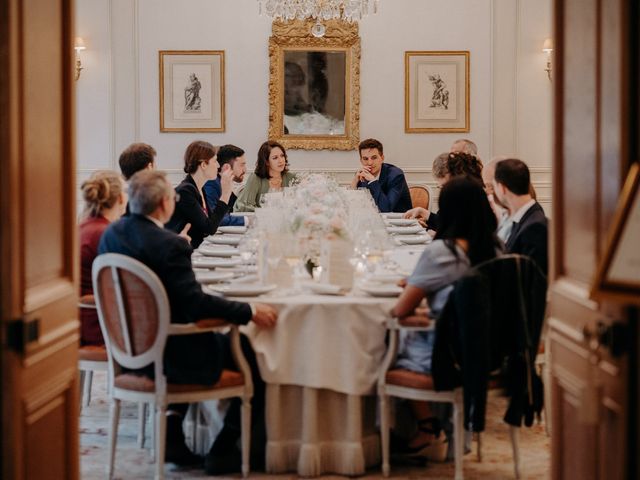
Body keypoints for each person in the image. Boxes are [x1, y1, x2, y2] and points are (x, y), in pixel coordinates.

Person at [98, 170, 278, 473]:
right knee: (249, 350)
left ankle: (173, 433)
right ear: (165, 203)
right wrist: (248, 311)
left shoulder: (112, 234)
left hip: (129, 354)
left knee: (222, 340)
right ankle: (224, 449)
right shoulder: (170, 244)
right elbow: (196, 305)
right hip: (173, 355)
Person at [391, 176, 501, 458]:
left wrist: (416, 286)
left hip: (450, 355)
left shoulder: (443, 251)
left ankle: (425, 425)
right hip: (491, 350)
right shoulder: (497, 247)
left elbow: (400, 311)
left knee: (390, 343)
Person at [79, 170, 128, 346]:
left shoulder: (84, 226)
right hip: (101, 323)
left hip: (81, 318)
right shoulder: (106, 233)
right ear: (121, 199)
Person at [165, 140, 233, 248]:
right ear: (203, 165)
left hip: (195, 249)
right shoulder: (185, 191)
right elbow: (209, 228)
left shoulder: (199, 189)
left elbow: (212, 223)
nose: (218, 165)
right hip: (181, 253)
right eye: (215, 161)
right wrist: (225, 195)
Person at [492, 158, 548, 274]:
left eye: (494, 186)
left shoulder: (535, 226)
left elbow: (533, 278)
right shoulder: (523, 219)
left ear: (502, 188)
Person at [404, 151, 483, 230]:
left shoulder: (472, 196)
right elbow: (444, 219)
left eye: (444, 186)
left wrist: (423, 213)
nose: (445, 190)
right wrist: (428, 222)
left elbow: (458, 227)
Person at [349, 138, 412, 213]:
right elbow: (352, 206)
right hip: (373, 220)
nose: (369, 163)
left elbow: (386, 209)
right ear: (361, 160)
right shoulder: (361, 175)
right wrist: (354, 183)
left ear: (382, 158)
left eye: (374, 158)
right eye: (365, 159)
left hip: (399, 221)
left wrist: (373, 181)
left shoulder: (396, 175)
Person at [234, 141, 297, 212]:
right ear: (266, 162)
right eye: (275, 158)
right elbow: (243, 206)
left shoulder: (292, 178)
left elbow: (299, 204)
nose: (281, 160)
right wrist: (266, 212)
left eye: (282, 156)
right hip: (261, 220)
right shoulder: (255, 178)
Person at [203, 144, 247, 226]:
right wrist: (247, 220)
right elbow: (216, 218)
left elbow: (235, 208)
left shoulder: (223, 182)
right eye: (242, 165)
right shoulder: (210, 184)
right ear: (227, 167)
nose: (245, 170)